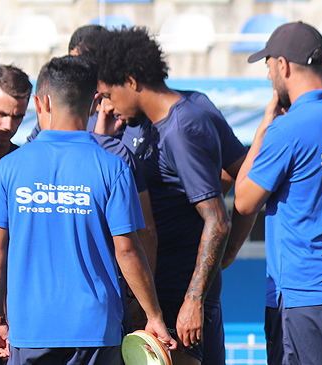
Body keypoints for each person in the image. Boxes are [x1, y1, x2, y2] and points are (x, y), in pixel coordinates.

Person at [0, 55, 176, 364]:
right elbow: (128, 250)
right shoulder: (113, 168)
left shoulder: (8, 168)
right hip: (95, 330)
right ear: (94, 102)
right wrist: (153, 314)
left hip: (31, 329)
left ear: (41, 102)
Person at [235, 21, 322, 365]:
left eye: (269, 68)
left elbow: (243, 201)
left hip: (305, 299)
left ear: (282, 65)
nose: (269, 78)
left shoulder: (287, 129)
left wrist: (262, 132)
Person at [92, 27, 232, 365]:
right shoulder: (150, 126)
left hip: (178, 293)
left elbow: (218, 218)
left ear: (132, 81)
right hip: (165, 288)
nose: (108, 106)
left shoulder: (182, 128)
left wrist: (194, 299)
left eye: (109, 94)